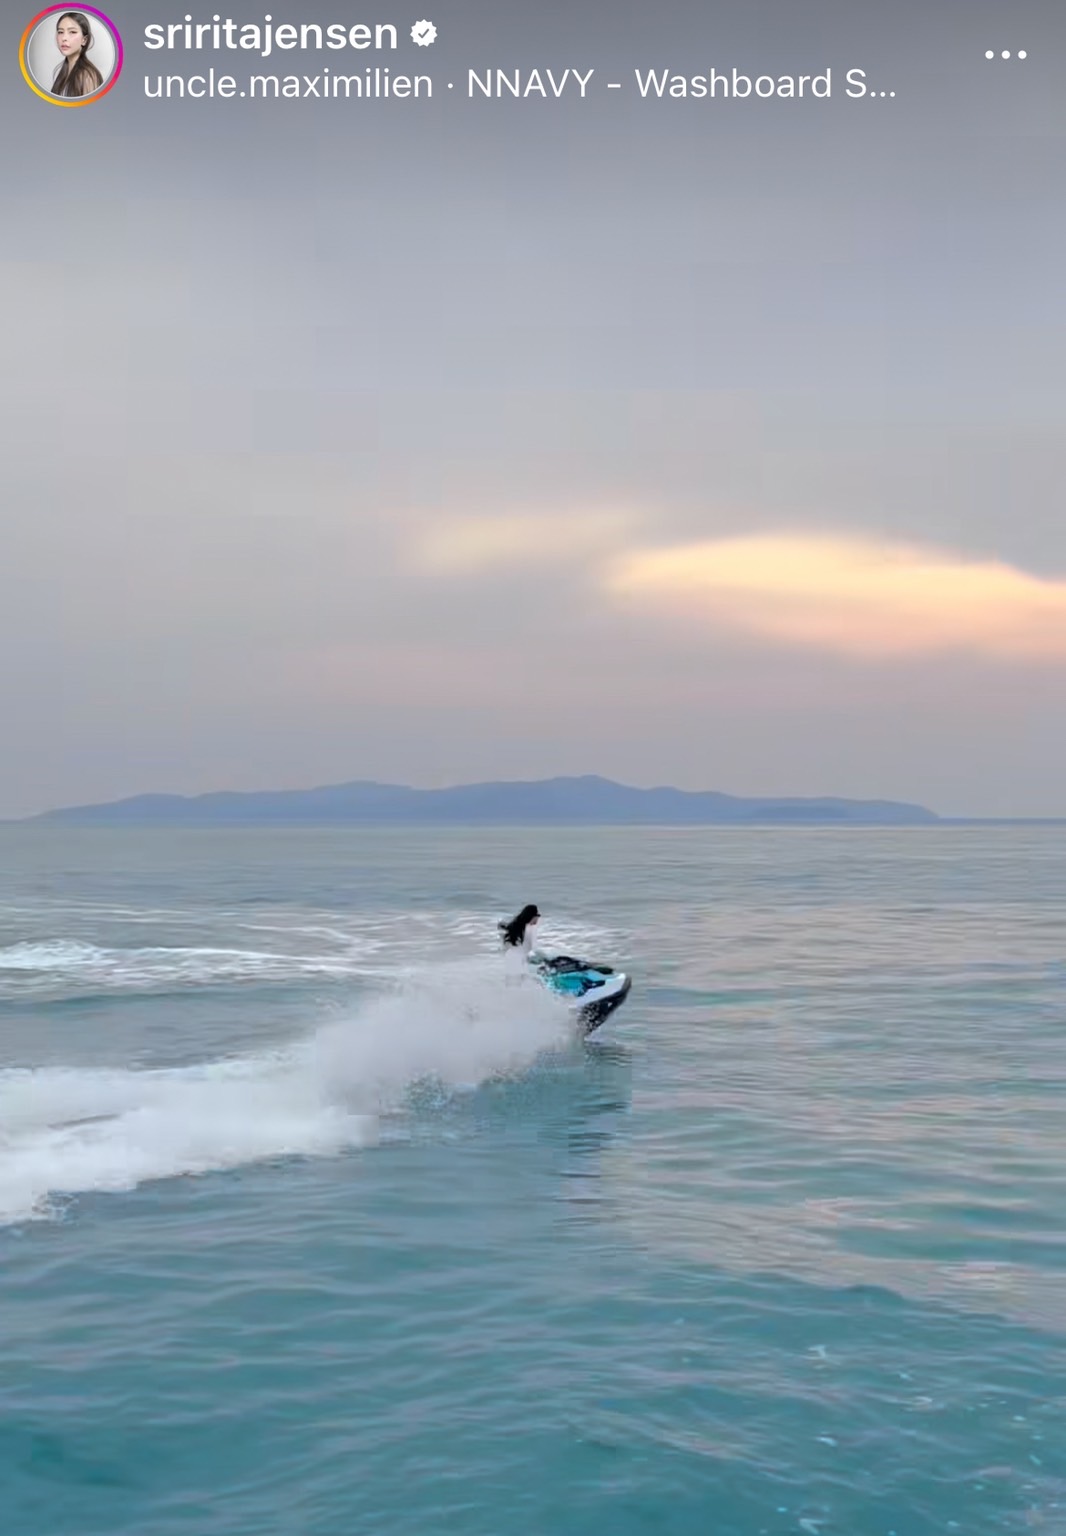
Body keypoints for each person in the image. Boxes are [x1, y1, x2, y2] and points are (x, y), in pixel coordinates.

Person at [52, 12, 104, 99]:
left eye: (72, 32)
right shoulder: (63, 71)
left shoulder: (88, 76)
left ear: (84, 40)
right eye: (60, 32)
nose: (64, 38)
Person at [498, 904, 543, 971]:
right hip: (518, 961)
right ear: (532, 916)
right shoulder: (524, 930)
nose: (537, 919)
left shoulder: (520, 927)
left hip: (514, 959)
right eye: (537, 916)